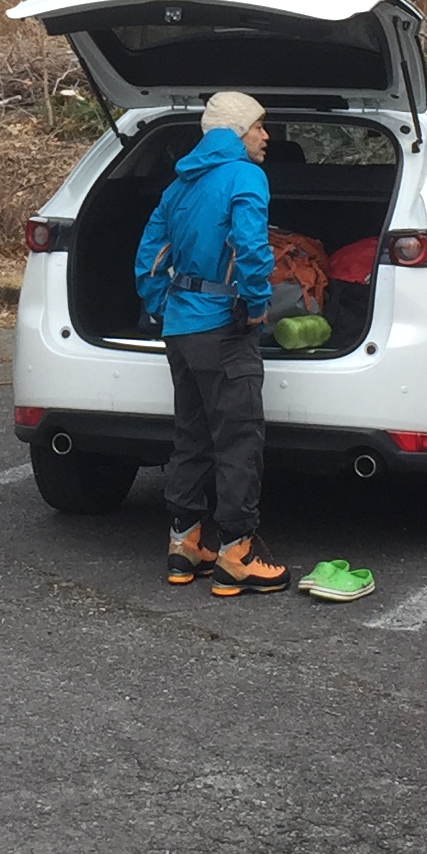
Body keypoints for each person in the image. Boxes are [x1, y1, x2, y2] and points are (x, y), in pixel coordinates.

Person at [135, 90, 290, 594]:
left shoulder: (180, 183)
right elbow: (251, 244)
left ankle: (184, 544)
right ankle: (237, 553)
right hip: (224, 328)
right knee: (238, 440)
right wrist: (257, 303)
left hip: (181, 328)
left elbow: (149, 255)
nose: (266, 136)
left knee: (192, 436)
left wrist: (161, 305)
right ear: (237, 131)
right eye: (259, 126)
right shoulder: (245, 176)